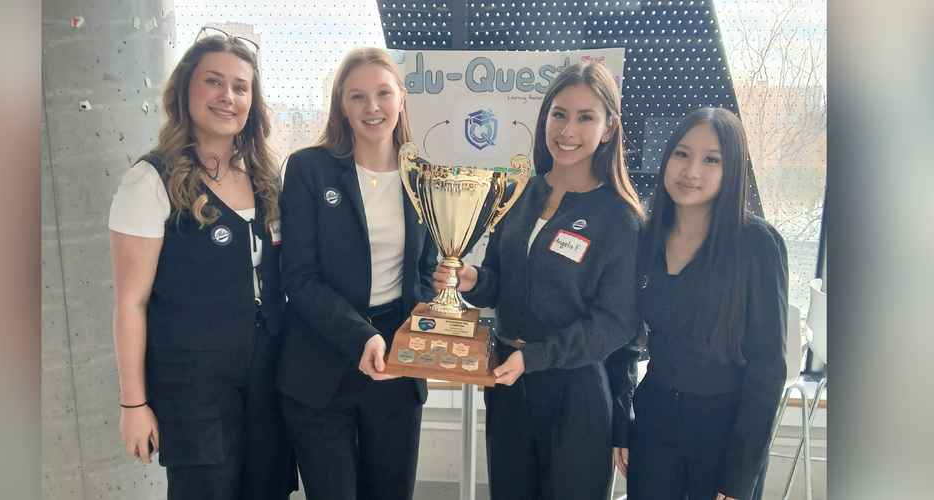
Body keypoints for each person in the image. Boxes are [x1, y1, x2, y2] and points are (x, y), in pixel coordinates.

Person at [435, 62, 644, 500]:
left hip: (575, 392)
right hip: (508, 384)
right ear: (544, 117)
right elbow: (500, 282)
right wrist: (473, 280)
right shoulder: (517, 194)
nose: (568, 129)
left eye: (586, 117)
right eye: (559, 113)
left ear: (608, 130)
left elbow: (615, 322)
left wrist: (537, 358)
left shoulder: (619, 218)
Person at [108, 28, 296, 500]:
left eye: (240, 86)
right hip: (191, 383)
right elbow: (130, 302)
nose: (227, 96)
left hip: (267, 375)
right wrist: (134, 403)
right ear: (185, 89)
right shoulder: (150, 181)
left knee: (268, 488)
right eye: (214, 82)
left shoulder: (265, 176)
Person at [276, 47, 438, 500]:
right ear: (340, 105)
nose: (372, 107)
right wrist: (359, 336)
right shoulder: (308, 169)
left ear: (401, 98)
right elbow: (300, 279)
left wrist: (420, 333)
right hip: (320, 360)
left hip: (397, 362)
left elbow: (425, 273)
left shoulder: (421, 177)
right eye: (357, 96)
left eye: (383, 93)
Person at [625, 107, 788, 500]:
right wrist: (621, 426)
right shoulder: (646, 239)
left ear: (732, 169)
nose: (691, 170)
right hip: (654, 422)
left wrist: (739, 477)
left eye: (711, 159)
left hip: (724, 431)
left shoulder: (758, 245)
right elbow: (624, 338)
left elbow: (769, 369)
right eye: (682, 154)